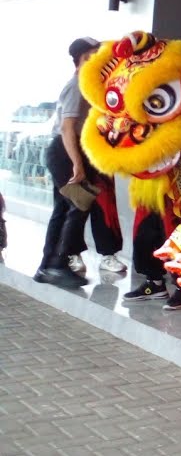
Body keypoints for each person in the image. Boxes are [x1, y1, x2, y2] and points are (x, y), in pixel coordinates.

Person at [35, 38, 127, 287]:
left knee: (66, 209)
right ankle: (56, 264)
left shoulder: (89, 85)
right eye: (94, 55)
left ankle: (49, 266)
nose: (99, 59)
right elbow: (67, 128)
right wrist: (77, 163)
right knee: (77, 206)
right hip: (66, 150)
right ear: (83, 59)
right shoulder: (77, 85)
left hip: (73, 149)